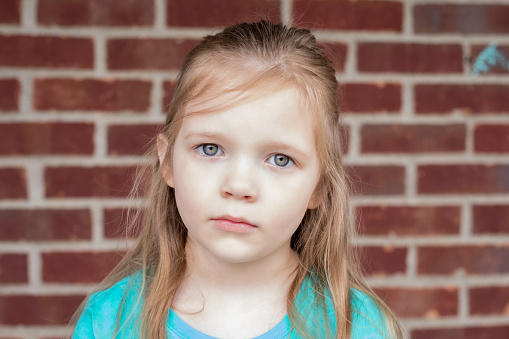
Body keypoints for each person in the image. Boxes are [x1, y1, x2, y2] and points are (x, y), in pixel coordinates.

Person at [71, 20, 403, 339]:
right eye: (210, 148)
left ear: (319, 186)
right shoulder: (109, 322)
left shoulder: (358, 327)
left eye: (280, 159)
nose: (239, 186)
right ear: (168, 161)